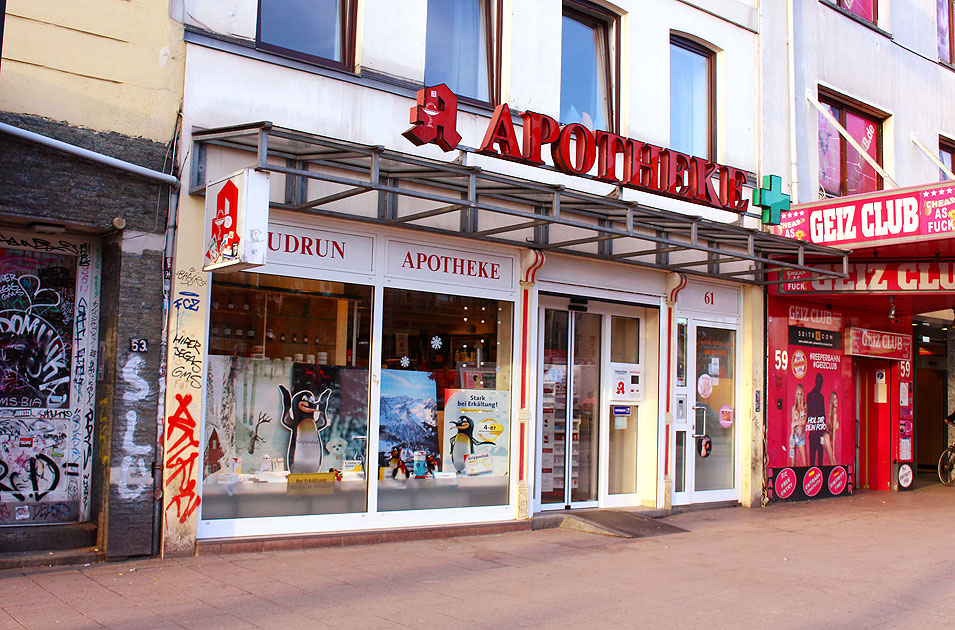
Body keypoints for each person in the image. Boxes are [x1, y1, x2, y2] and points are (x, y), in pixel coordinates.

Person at [806, 373, 828, 467]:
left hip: (816, 431)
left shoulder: (815, 396)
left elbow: (822, 415)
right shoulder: (812, 396)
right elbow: (820, 415)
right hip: (816, 431)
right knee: (816, 457)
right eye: (819, 382)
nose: (820, 384)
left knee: (816, 457)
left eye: (821, 382)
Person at [788, 384, 807, 467]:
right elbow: (792, 423)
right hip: (794, 436)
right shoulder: (793, 408)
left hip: (801, 436)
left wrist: (795, 423)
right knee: (793, 463)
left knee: (805, 464)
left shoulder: (805, 406)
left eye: (801, 394)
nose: (799, 396)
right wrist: (791, 437)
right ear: (796, 395)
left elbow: (804, 421)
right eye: (798, 394)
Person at [822, 391, 838, 465]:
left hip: (826, 437)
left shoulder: (831, 412)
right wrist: (833, 450)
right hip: (827, 437)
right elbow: (834, 433)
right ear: (832, 401)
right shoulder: (834, 414)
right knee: (833, 462)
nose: (836, 401)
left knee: (831, 462)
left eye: (836, 398)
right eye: (834, 399)